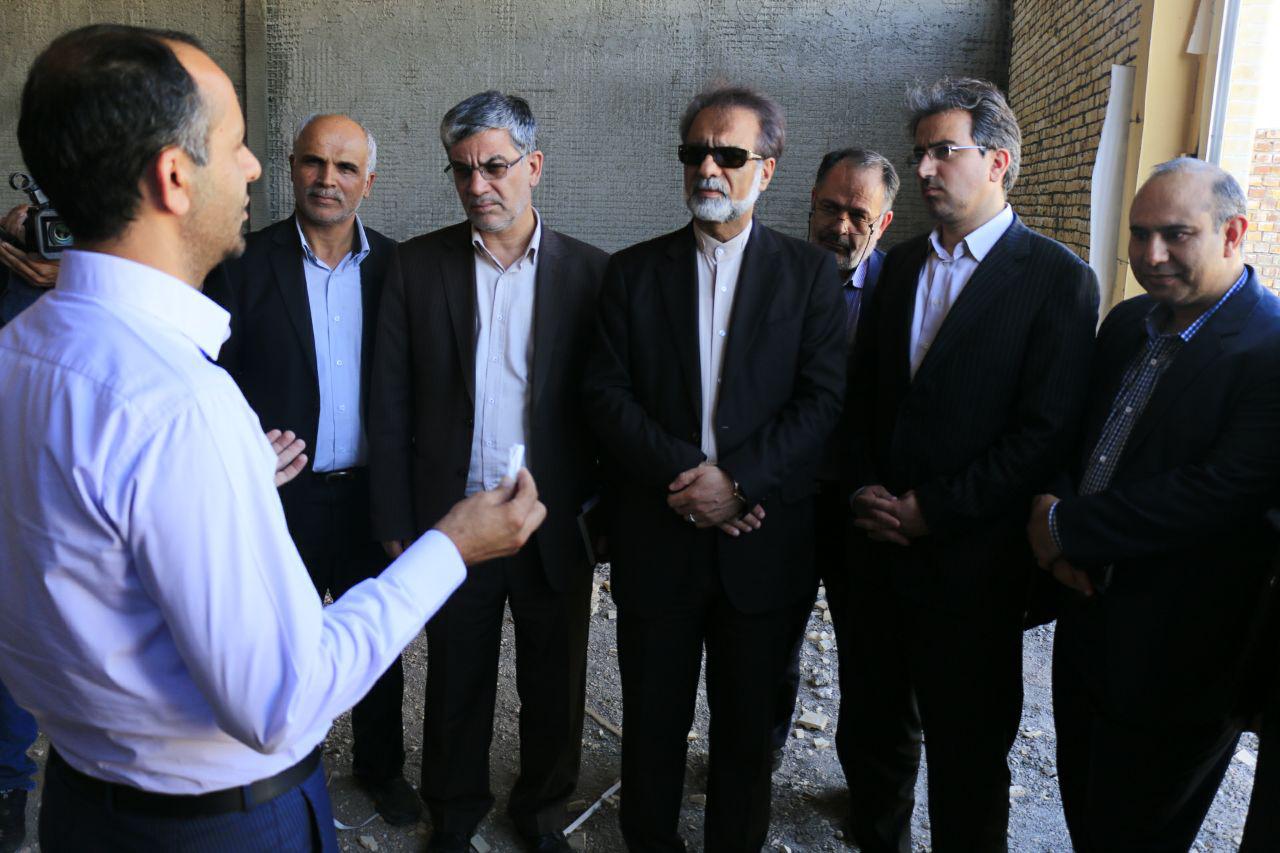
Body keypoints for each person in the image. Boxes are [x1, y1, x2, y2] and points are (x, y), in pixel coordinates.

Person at [0, 24, 544, 852]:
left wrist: (227, 478)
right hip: (220, 824)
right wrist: (452, 545)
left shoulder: (18, 352)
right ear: (174, 177)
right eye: (237, 144)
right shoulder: (181, 407)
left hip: (81, 804)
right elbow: (281, 702)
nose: (255, 167)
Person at [583, 84, 846, 851]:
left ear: (767, 168)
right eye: (694, 152)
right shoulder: (632, 273)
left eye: (728, 154)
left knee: (745, 736)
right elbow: (604, 393)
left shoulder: (809, 276)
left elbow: (823, 401)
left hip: (761, 545)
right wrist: (691, 478)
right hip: (658, 536)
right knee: (651, 726)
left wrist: (739, 484)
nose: (708, 167)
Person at [842, 77, 1099, 852]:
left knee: (968, 757)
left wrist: (934, 509)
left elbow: (1043, 433)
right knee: (874, 739)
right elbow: (863, 397)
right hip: (877, 555)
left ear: (998, 161)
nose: (922, 169)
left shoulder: (1057, 279)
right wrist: (864, 486)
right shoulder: (898, 267)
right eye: (918, 153)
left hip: (974, 568)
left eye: (942, 152)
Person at [369, 91, 607, 853]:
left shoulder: (591, 274)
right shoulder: (416, 267)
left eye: (495, 167)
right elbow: (388, 404)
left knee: (555, 680)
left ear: (533, 166)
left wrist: (599, 521)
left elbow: (605, 410)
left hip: (549, 519)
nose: (478, 186)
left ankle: (541, 811)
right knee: (455, 677)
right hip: (455, 519)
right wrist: (397, 522)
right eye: (462, 170)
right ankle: (453, 813)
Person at [1028, 157, 1280, 852]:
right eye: (1140, 234)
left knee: (1137, 833)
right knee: (1086, 815)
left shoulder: (1271, 349)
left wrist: (1061, 527)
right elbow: (1080, 437)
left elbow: (1219, 493)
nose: (1151, 254)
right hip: (1087, 620)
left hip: (1184, 657)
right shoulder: (1129, 321)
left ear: (1234, 233)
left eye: (1176, 234)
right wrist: (1060, 530)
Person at [204, 113, 420, 825]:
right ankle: (279, 765)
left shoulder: (398, 268)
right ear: (292, 166)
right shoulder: (240, 263)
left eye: (345, 167)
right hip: (279, 495)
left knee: (376, 640)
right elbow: (209, 375)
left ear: (368, 181)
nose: (328, 179)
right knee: (274, 638)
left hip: (368, 495)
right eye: (313, 163)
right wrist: (243, 453)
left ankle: (381, 768)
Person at [771, 148, 897, 770]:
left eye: (858, 215)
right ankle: (752, 763)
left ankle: (872, 794)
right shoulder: (769, 279)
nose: (839, 227)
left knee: (873, 655)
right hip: (781, 497)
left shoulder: (904, 293)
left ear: (885, 222)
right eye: (829, 208)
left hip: (864, 505)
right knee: (767, 643)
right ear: (810, 203)